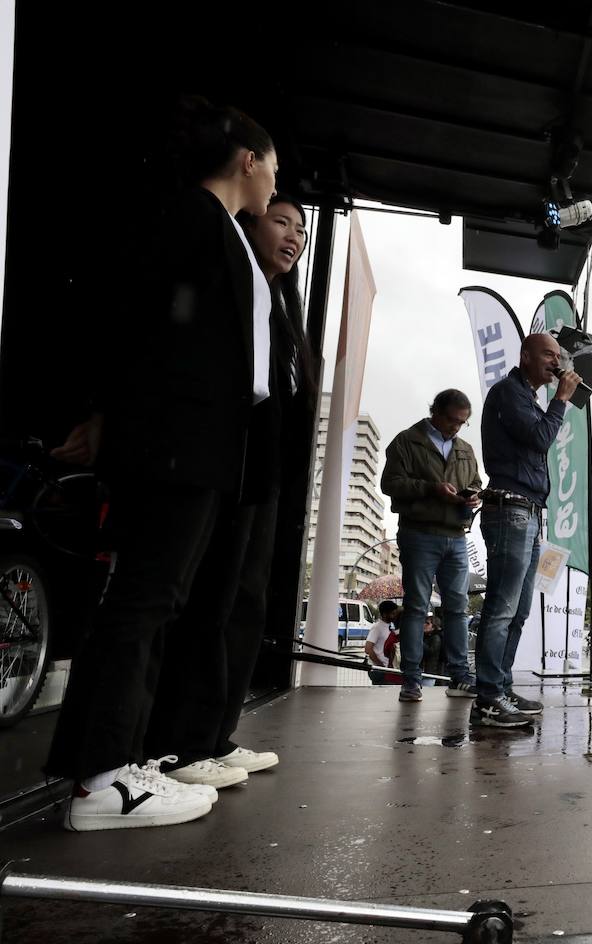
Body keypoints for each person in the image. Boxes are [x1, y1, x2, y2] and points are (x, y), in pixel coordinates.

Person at [46, 99, 278, 831]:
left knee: (159, 602)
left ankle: (120, 764)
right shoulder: (191, 218)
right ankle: (102, 779)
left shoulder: (223, 231)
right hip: (174, 442)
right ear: (248, 160)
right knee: (143, 601)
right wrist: (103, 411)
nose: (276, 184)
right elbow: (132, 320)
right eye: (274, 168)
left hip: (202, 445)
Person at [141, 193, 313, 788]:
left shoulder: (283, 310)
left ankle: (215, 734)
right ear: (252, 222)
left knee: (246, 602)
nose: (293, 236)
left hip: (263, 478)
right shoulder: (234, 289)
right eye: (282, 222)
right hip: (223, 467)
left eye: (301, 230)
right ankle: (181, 745)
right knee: (208, 603)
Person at [470, 333, 581, 726]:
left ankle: (499, 686)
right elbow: (539, 437)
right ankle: (486, 697)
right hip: (510, 508)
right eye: (549, 355)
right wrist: (562, 400)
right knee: (501, 607)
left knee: (518, 609)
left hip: (529, 511)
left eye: (558, 356)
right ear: (526, 356)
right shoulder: (508, 393)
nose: (556, 362)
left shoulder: (528, 397)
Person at [380, 389, 483, 702]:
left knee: (457, 608)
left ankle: (459, 679)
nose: (456, 427)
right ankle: (411, 680)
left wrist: (474, 495)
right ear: (435, 412)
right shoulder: (406, 441)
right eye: (452, 420)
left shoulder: (465, 448)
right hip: (419, 533)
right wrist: (431, 489)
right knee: (415, 607)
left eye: (462, 423)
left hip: (456, 535)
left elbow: (476, 481)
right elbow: (390, 483)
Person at [365, 602, 403, 684]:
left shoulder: (391, 626)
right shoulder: (377, 627)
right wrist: (380, 664)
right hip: (379, 669)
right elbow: (368, 648)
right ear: (385, 614)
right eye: (393, 613)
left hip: (387, 668)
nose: (395, 616)